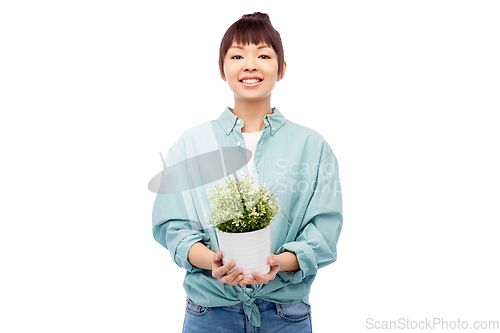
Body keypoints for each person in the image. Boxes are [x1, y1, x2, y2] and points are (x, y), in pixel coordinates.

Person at [152, 12, 343, 332]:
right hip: (210, 312)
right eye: (238, 55)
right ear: (222, 68)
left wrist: (277, 264)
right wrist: (212, 262)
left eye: (264, 55)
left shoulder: (312, 145)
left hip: (285, 314)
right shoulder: (192, 144)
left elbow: (323, 232)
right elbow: (173, 225)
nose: (250, 64)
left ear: (281, 68)